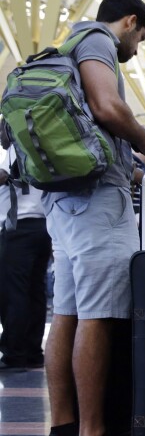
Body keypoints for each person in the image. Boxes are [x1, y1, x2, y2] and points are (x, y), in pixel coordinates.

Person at [40, 0, 145, 436]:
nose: (137, 48)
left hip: (64, 199)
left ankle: (62, 434)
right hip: (96, 204)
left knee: (69, 313)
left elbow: (95, 140)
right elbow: (105, 107)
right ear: (130, 22)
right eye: (140, 37)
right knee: (98, 313)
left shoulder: (64, 47)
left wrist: (142, 175)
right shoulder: (97, 39)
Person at [0, 126, 52, 371]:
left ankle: (14, 353)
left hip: (17, 226)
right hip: (43, 225)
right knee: (35, 290)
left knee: (14, 292)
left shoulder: (13, 151)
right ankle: (32, 351)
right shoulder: (37, 143)